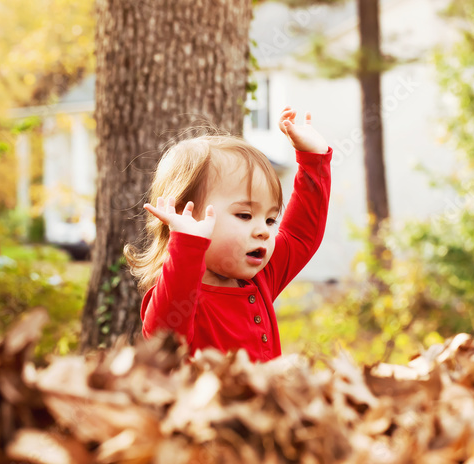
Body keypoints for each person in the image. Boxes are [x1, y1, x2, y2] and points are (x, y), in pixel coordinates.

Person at [124, 106, 332, 361]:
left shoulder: (261, 277)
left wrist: (314, 159)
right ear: (184, 215)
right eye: (244, 215)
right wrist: (187, 245)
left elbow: (300, 233)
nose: (263, 232)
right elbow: (162, 340)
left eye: (270, 219)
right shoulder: (178, 290)